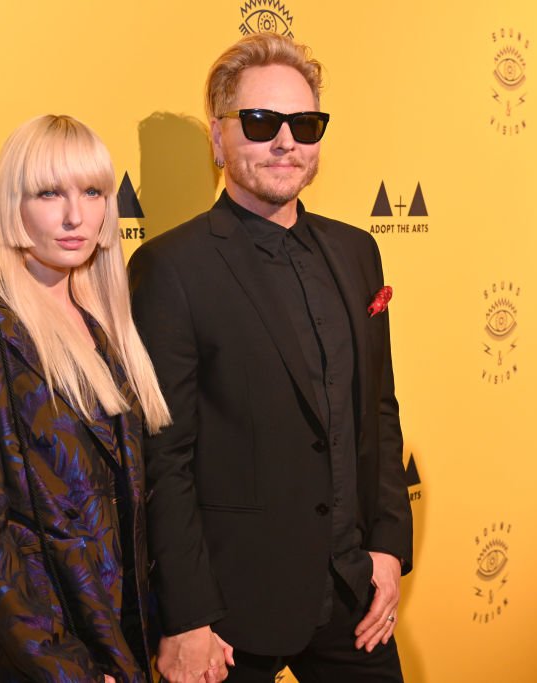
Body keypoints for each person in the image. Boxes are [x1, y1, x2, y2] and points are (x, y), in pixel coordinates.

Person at [129, 33, 413, 683]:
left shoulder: (356, 251)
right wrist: (187, 614)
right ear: (218, 137)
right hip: (229, 613)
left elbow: (380, 409)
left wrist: (389, 547)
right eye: (260, 123)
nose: (286, 141)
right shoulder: (172, 268)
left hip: (352, 595)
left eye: (304, 124)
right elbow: (163, 458)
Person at [0, 114, 171, 682]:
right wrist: (64, 669)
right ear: (13, 204)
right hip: (36, 662)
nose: (75, 215)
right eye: (49, 193)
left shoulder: (106, 323)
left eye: (93, 191)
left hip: (124, 644)